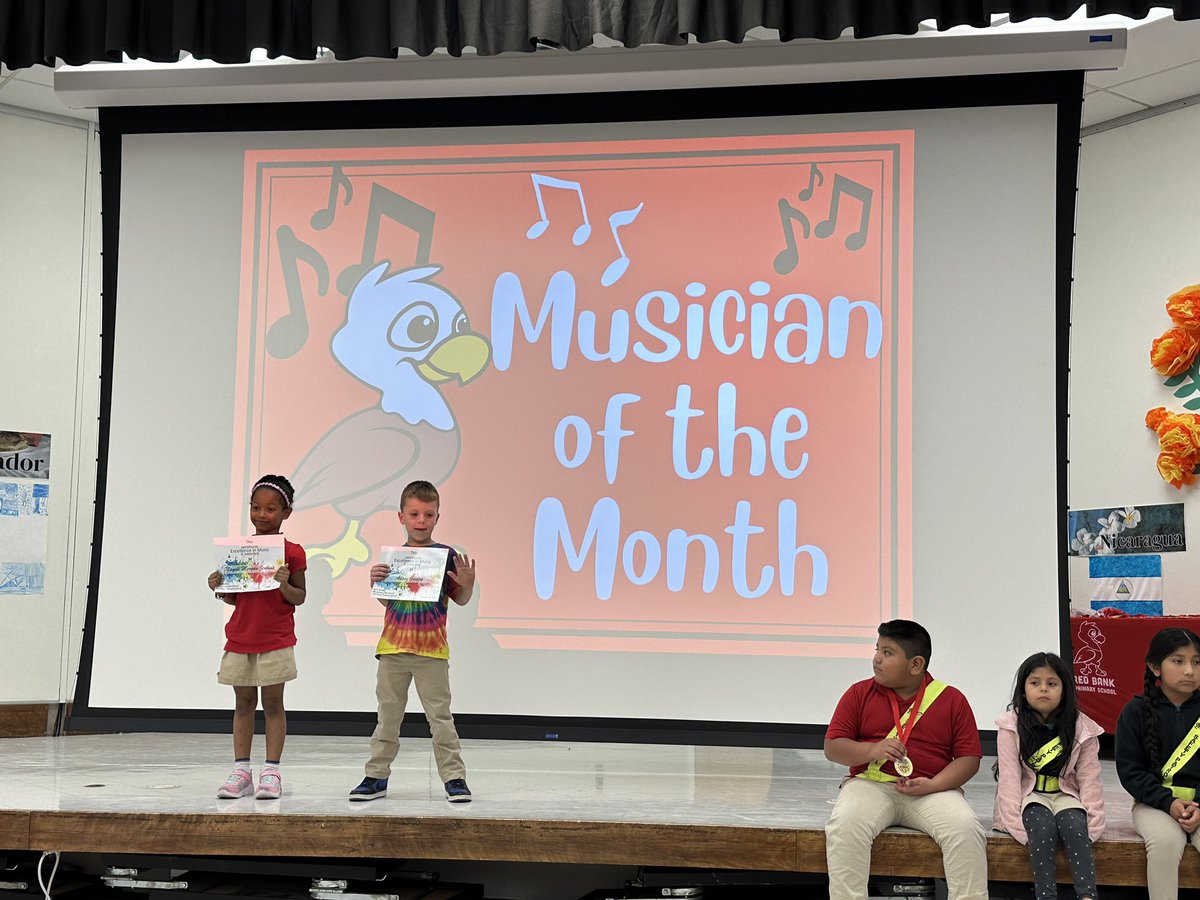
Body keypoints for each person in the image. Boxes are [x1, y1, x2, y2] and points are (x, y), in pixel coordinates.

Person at [824, 619, 987, 900]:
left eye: (887, 653)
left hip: (932, 791)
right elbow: (833, 747)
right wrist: (871, 751)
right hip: (870, 785)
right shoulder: (858, 693)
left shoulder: (951, 699)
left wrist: (933, 785)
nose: (876, 659)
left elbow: (968, 759)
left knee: (966, 829)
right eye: (877, 649)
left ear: (916, 664)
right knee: (845, 825)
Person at [349, 480, 477, 803]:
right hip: (392, 649)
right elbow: (389, 602)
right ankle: (376, 776)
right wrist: (376, 582)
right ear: (401, 517)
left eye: (428, 514)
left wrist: (468, 584)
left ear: (437, 517)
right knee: (387, 717)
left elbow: (459, 599)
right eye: (415, 514)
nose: (421, 520)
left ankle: (454, 778)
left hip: (431, 651)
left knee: (440, 718)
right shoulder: (394, 559)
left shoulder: (446, 555)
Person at [206, 474, 306, 800]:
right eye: (256, 507)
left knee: (274, 704)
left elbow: (299, 597)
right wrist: (220, 586)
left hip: (276, 639)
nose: (262, 515)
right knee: (243, 703)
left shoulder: (292, 552)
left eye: (271, 509)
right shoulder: (242, 552)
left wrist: (284, 582)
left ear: (285, 513)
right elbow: (237, 597)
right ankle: (241, 771)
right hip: (241, 637)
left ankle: (272, 772)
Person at [994, 652, 1104, 900]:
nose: (1043, 689)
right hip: (1029, 796)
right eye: (1035, 683)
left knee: (1075, 827)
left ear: (1065, 689)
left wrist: (1094, 823)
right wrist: (1015, 825)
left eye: (1052, 684)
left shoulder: (1082, 726)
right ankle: (1046, 896)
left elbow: (1089, 778)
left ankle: (1088, 896)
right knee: (1042, 829)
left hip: (1065, 795)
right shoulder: (1010, 725)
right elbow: (1009, 779)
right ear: (1023, 689)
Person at [1116, 627, 1200, 900]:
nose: (1189, 670)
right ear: (1155, 667)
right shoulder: (1136, 711)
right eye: (1178, 661)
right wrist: (1169, 803)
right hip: (1154, 804)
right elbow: (1130, 771)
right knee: (1164, 842)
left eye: (1197, 662)